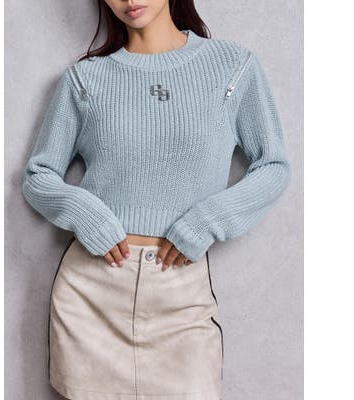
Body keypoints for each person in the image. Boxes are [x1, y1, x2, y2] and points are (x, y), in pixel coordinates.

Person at [22, 1, 291, 399]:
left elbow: (273, 165)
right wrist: (89, 216)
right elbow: (38, 176)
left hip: (181, 293)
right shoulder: (85, 79)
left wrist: (206, 222)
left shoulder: (233, 68)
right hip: (92, 292)